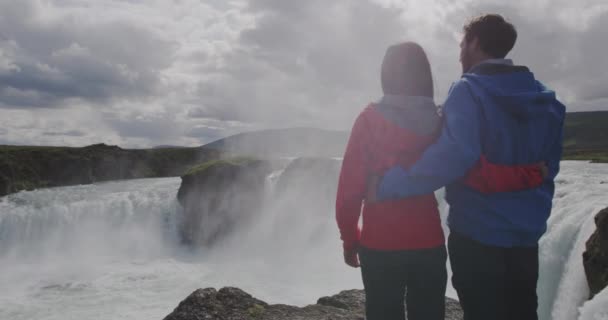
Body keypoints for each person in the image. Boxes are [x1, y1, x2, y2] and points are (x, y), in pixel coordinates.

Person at [371, 15, 566, 320]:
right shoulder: (547, 101)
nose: (460, 52)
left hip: (478, 234)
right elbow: (548, 170)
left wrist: (394, 183)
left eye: (462, 44)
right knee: (522, 311)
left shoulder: (469, 91)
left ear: (475, 43)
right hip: (526, 236)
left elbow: (452, 157)